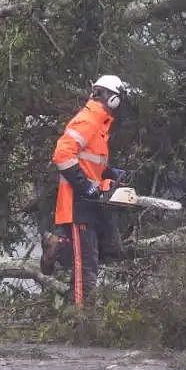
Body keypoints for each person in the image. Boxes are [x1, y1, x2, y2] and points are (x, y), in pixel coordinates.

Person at [40, 75, 132, 306]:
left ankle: (59, 245)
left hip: (92, 204)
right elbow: (62, 155)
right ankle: (80, 322)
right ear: (110, 97)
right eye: (118, 99)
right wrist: (86, 187)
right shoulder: (88, 120)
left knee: (110, 250)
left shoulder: (100, 125)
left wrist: (110, 173)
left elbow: (89, 163)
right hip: (78, 204)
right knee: (86, 273)